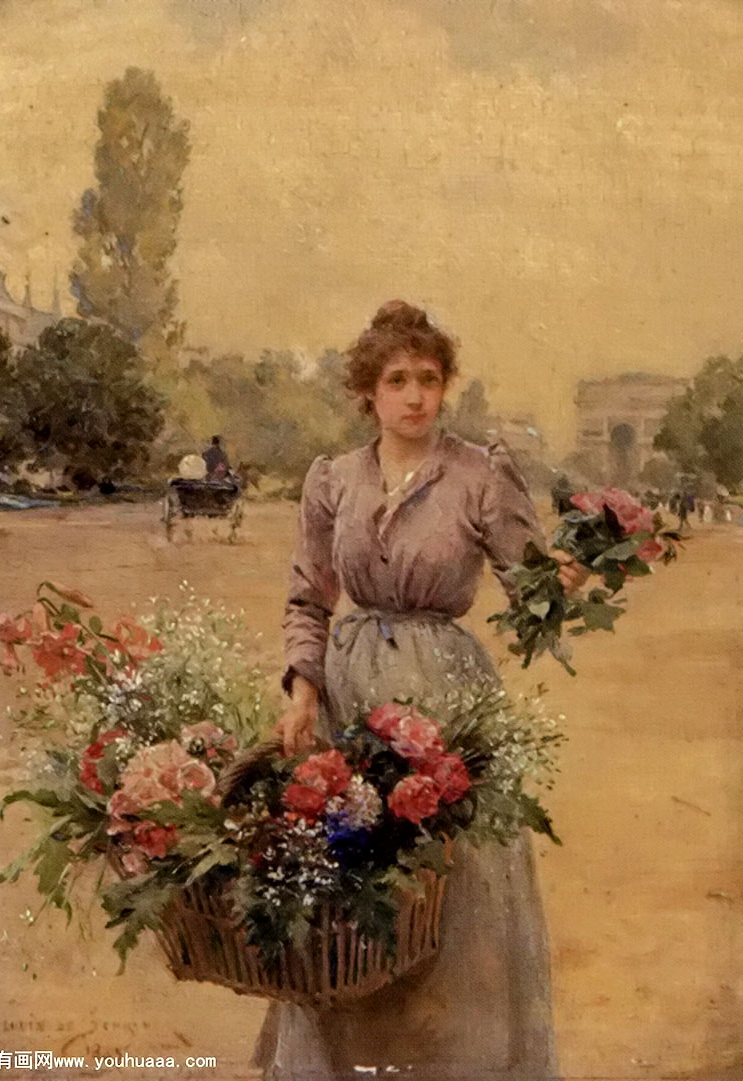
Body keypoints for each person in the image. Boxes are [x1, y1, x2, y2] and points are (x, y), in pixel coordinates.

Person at [257, 301, 587, 1081]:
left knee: (455, 893)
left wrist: (560, 583)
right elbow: (308, 596)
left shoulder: (480, 472)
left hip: (447, 699)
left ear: (446, 387)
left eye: (428, 379)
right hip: (350, 691)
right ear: (367, 392)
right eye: (396, 380)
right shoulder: (333, 478)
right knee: (350, 890)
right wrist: (303, 689)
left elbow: (530, 583)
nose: (414, 396)